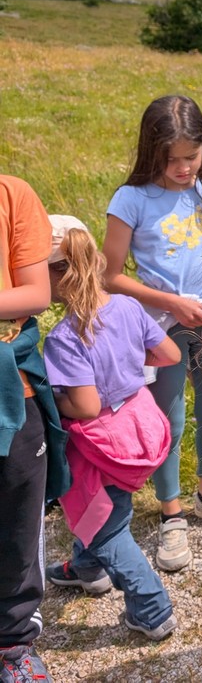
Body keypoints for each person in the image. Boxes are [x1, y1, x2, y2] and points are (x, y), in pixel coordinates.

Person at [101, 95, 202, 573]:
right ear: (151, 151)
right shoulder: (132, 199)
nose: (183, 168)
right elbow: (111, 276)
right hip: (157, 328)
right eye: (172, 159)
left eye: (192, 156)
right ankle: (171, 512)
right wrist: (172, 304)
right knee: (167, 420)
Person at [42, 217, 181, 641]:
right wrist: (126, 373)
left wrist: (53, 399)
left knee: (108, 525)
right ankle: (88, 571)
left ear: (57, 273)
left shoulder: (65, 338)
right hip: (139, 428)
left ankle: (153, 611)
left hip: (100, 443)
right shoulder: (126, 306)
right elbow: (169, 353)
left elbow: (83, 405)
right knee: (106, 507)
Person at [0, 175, 59, 683]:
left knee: (19, 523)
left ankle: (14, 646)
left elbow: (35, 292)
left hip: (12, 392)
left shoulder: (13, 195)